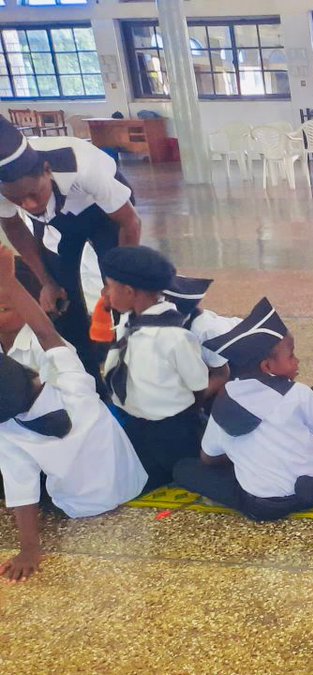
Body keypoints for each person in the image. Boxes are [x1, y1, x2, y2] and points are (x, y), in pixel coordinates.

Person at [0, 245, 147, 582]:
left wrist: (29, 549)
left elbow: (21, 490)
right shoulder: (73, 386)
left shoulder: (7, 429)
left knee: (18, 477)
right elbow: (46, 332)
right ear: (31, 375)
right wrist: (8, 279)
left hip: (79, 510)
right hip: (128, 482)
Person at [173, 298, 313, 521]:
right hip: (309, 488)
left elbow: (208, 458)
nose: (298, 360)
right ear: (267, 367)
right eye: (291, 355)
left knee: (183, 469)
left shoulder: (225, 398)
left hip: (262, 505)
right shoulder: (298, 392)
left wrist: (237, 457)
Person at [0, 117, 142, 380]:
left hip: (104, 214)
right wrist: (46, 282)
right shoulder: (7, 189)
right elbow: (16, 228)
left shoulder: (84, 166)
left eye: (33, 193)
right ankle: (86, 372)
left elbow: (129, 222)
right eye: (17, 199)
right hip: (56, 221)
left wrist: (120, 280)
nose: (28, 205)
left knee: (120, 291)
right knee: (60, 296)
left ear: (47, 170)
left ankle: (124, 359)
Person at [100, 246, 212, 490]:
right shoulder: (128, 323)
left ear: (129, 291)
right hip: (136, 426)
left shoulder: (175, 336)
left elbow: (198, 385)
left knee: (184, 479)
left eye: (109, 286)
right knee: (146, 481)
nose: (105, 293)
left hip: (174, 431)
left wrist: (180, 414)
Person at [165, 275, 237, 399]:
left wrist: (192, 402)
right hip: (209, 364)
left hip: (237, 363)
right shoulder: (171, 322)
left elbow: (221, 374)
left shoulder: (205, 331)